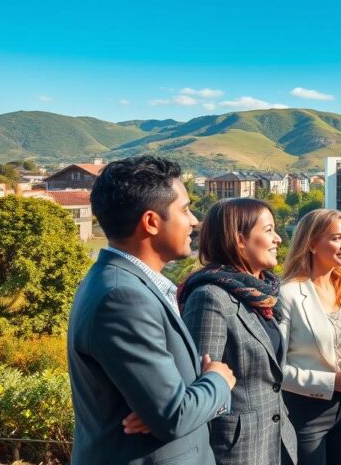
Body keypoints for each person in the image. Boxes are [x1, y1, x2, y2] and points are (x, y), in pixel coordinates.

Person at [68, 156, 235, 464]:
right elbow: (174, 416)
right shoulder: (122, 298)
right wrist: (218, 380)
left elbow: (167, 408)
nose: (195, 220)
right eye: (185, 210)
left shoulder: (126, 284)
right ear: (151, 222)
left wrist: (168, 406)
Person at [178, 198, 297, 465]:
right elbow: (197, 384)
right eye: (268, 230)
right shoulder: (210, 297)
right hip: (235, 450)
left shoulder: (262, 295)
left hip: (278, 440)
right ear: (239, 239)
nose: (278, 238)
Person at [279, 209, 341, 465]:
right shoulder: (287, 294)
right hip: (303, 412)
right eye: (336, 238)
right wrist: (332, 382)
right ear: (311, 244)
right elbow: (275, 369)